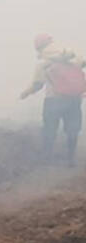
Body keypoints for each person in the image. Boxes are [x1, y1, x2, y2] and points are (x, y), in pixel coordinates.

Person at [20, 34, 86, 167]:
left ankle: (46, 159)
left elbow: (37, 85)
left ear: (38, 48)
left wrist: (25, 94)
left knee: (49, 129)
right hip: (74, 99)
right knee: (72, 129)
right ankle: (70, 159)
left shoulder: (44, 63)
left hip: (53, 100)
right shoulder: (71, 57)